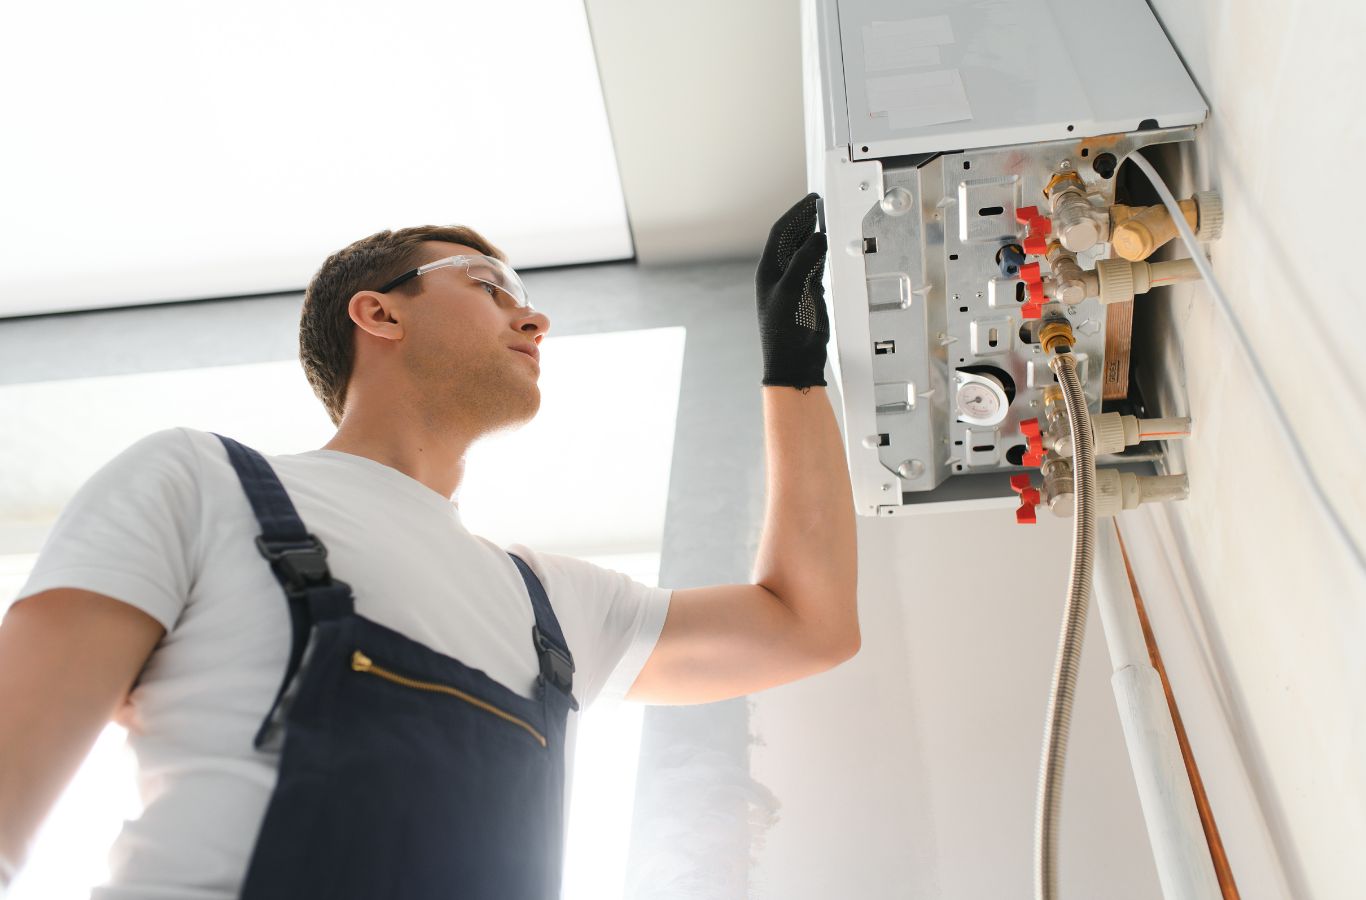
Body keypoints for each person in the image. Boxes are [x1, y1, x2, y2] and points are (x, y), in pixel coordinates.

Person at [0, 193, 858, 899]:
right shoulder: (198, 482)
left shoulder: (547, 605)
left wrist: (794, 373)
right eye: (490, 285)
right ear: (377, 312)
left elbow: (807, 624)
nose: (535, 317)